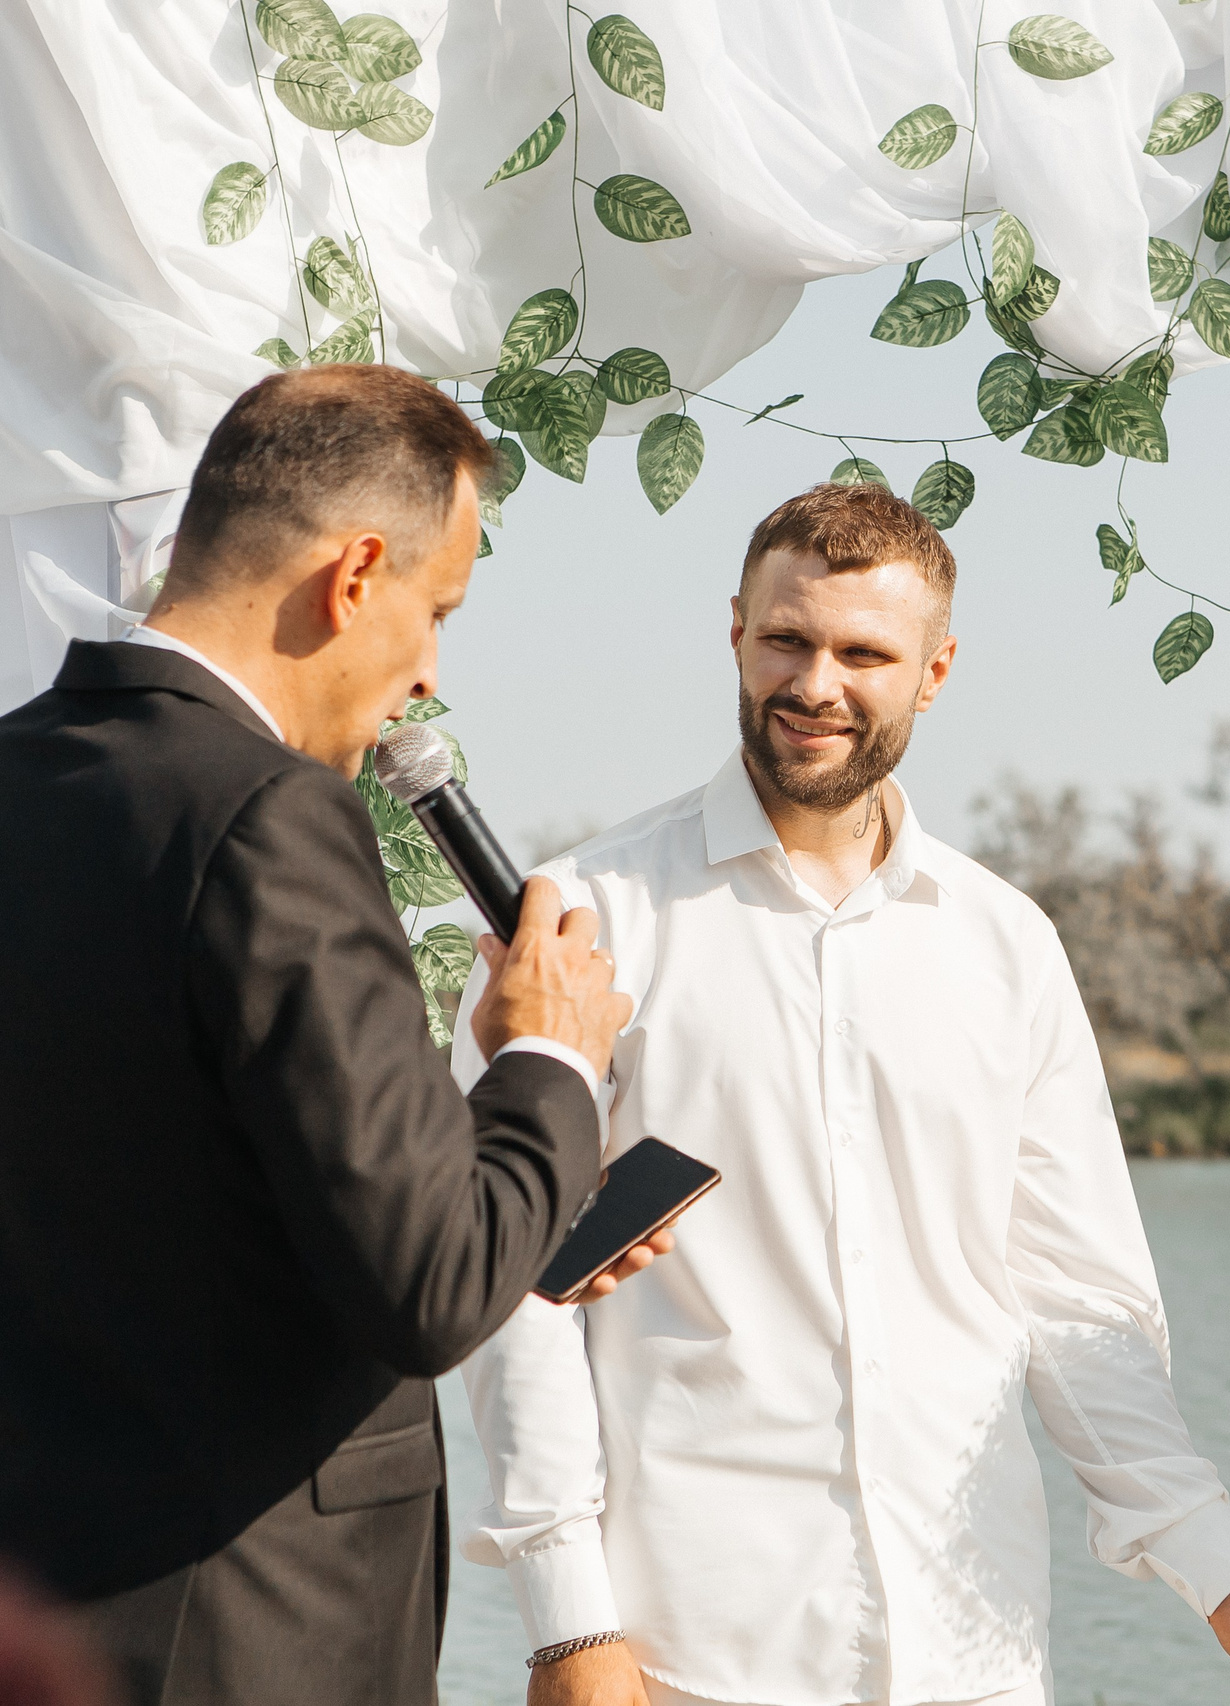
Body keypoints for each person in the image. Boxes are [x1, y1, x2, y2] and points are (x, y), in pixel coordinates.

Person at [455, 482, 1230, 1706]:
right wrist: (567, 1622)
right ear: (735, 631)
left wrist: (1217, 1564)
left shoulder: (1007, 942)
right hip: (691, 1652)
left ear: (933, 671)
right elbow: (518, 1288)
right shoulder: (579, 922)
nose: (815, 683)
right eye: (787, 638)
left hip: (975, 1647)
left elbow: (1078, 1296)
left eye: (863, 652)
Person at [0, 365, 650, 1706]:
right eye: (437, 613)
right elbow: (426, 1286)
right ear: (355, 573)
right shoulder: (269, 817)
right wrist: (547, 1057)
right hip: (246, 1629)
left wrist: (518, 1197)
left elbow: (191, 1190)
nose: (425, 675)